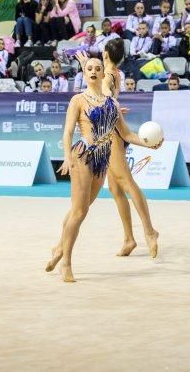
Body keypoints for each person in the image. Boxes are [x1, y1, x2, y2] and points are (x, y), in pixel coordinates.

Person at [45, 57, 159, 282]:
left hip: (102, 160)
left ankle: (58, 248)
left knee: (82, 208)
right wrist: (67, 157)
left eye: (98, 68)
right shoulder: (78, 100)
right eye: (90, 69)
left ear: (103, 74)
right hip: (82, 157)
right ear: (84, 74)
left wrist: (149, 143)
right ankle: (66, 261)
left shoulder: (111, 104)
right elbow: (67, 132)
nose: (94, 72)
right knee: (80, 212)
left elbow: (126, 135)